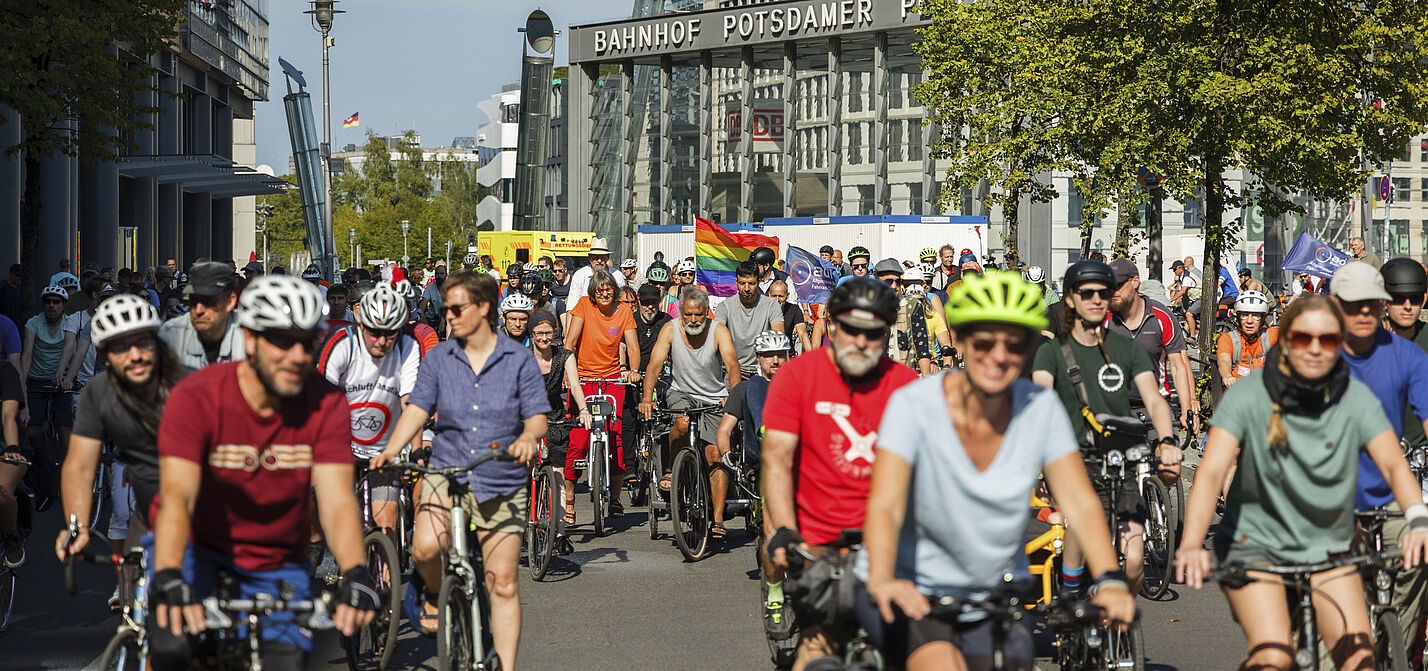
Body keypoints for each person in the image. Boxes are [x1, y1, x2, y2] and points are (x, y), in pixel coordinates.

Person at [857, 271, 1136, 670]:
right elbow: (884, 504)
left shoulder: (1039, 407)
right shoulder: (914, 405)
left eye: (1015, 343)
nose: (999, 355)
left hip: (993, 594)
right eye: (985, 342)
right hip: (914, 587)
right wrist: (884, 576)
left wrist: (1109, 577)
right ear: (963, 342)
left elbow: (1078, 500)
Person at [1177, 293, 1428, 671]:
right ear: (1286, 340)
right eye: (1302, 339)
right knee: (1274, 656)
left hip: (1327, 540)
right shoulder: (1250, 394)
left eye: (1327, 339)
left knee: (1360, 658)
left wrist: (1418, 518)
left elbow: (1394, 465)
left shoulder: (1353, 397)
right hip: (1254, 540)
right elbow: (1212, 472)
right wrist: (1192, 543)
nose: (1314, 349)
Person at [147, 275, 378, 671]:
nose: (297, 356)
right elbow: (177, 497)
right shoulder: (196, 397)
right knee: (173, 650)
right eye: (282, 341)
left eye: (308, 342)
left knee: (287, 661)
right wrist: (170, 575)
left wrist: (355, 572)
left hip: (276, 557)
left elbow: (337, 498)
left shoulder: (326, 401)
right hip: (194, 548)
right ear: (250, 339)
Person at [368, 272, 547, 668]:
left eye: (455, 308)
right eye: (446, 308)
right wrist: (390, 451)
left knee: (501, 582)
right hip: (446, 470)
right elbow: (416, 409)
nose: (446, 315)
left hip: (500, 476)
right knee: (426, 547)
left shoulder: (517, 358)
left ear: (483, 309)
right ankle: (434, 591)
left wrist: (528, 438)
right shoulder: (439, 358)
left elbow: (537, 418)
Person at [762, 276, 919, 669]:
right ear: (832, 323)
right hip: (817, 545)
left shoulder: (905, 384)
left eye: (872, 333)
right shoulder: (796, 376)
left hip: (889, 547)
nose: (860, 342)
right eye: (851, 329)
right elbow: (778, 460)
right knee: (816, 650)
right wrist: (784, 529)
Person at [1030, 260, 1180, 597]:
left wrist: (1167, 440)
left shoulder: (1126, 349)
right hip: (1073, 461)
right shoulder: (1052, 352)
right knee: (1077, 531)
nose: (1097, 299)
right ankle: (1070, 593)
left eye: (1104, 292)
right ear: (1069, 299)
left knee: (1136, 564)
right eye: (1087, 293)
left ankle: (1111, 626)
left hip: (1122, 461)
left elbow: (1154, 399)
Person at [54, 295, 189, 605]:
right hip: (147, 495)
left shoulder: (185, 385)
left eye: (143, 343)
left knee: (186, 623)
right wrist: (78, 525)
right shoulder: (99, 390)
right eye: (120, 347)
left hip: (198, 499)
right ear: (104, 356)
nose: (135, 355)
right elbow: (79, 466)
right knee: (130, 594)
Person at [316, 282, 421, 541]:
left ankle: (386, 579)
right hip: (341, 442)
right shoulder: (342, 343)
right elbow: (319, 400)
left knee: (386, 520)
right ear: (361, 323)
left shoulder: (407, 346)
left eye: (390, 333)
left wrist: (413, 452)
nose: (383, 341)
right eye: (375, 332)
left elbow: (412, 404)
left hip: (386, 447)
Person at [638, 288, 741, 537]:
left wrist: (734, 397)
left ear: (707, 313)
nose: (693, 320)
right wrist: (646, 398)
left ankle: (717, 520)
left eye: (698, 314)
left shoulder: (718, 330)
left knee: (715, 453)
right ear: (681, 313)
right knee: (682, 424)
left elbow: (732, 365)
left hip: (713, 398)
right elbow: (654, 365)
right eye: (688, 315)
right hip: (681, 392)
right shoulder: (670, 329)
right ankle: (673, 466)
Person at [715, 329, 790, 631]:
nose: (776, 360)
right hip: (762, 459)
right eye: (769, 355)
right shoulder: (750, 386)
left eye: (781, 354)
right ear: (759, 358)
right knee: (758, 385)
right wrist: (725, 454)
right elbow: (724, 431)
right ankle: (768, 430)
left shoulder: (800, 385)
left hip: (798, 458)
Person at [565, 270, 641, 518]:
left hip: (612, 380)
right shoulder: (584, 305)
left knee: (616, 437)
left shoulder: (623, 311)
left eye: (609, 289)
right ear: (593, 293)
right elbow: (570, 343)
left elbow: (632, 345)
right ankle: (569, 502)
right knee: (578, 439)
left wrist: (633, 370)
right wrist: (567, 372)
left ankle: (616, 498)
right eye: (600, 290)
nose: (605, 293)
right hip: (584, 378)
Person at [1106, 260, 1199, 433]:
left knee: (1167, 453)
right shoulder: (1104, 318)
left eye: (1117, 285)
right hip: (1115, 406)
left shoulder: (1162, 316)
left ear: (1135, 281)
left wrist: (1187, 408)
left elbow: (1179, 366)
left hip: (1158, 403)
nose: (1112, 292)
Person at [21, 285, 77, 455]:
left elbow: (72, 350)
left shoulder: (70, 323)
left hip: (60, 381)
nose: (51, 306)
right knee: (32, 426)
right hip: (36, 379)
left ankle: (65, 468)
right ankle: (32, 466)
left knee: (64, 426)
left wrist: (69, 378)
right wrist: (22, 381)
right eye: (47, 302)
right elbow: (27, 354)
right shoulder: (33, 323)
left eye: (56, 302)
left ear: (63, 305)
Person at [158, 261, 245, 369]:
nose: (199, 310)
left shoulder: (248, 335)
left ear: (230, 302)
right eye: (193, 301)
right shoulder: (171, 334)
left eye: (208, 301)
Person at [714, 261, 784, 379]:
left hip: (762, 370)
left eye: (751, 283)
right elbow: (717, 337)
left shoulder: (771, 305)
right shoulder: (724, 307)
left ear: (758, 282)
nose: (746, 288)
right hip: (731, 368)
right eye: (742, 283)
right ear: (736, 282)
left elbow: (778, 338)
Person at [1217, 291, 1277, 388]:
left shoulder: (1271, 335)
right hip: (1238, 394)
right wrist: (1227, 376)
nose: (1249, 321)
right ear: (1238, 318)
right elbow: (1224, 360)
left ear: (1262, 318)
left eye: (1255, 316)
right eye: (1244, 315)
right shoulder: (1229, 339)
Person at [1, 355, 27, 568]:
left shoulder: (6, 371)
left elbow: (9, 416)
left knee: (2, 493)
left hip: (5, 447)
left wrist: (12, 447)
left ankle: (11, 536)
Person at [564, 238, 626, 321]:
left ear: (608, 258)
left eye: (602, 257)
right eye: (596, 258)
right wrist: (568, 332)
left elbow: (621, 302)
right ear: (589, 258)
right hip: (585, 319)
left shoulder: (617, 275)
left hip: (611, 320)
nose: (599, 261)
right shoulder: (580, 275)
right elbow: (572, 306)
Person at [767, 280, 810, 354]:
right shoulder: (763, 309)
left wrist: (813, 357)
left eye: (781, 296)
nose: (777, 300)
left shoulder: (794, 309)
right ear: (769, 295)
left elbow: (803, 335)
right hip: (767, 354)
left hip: (788, 355)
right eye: (774, 296)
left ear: (787, 296)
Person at [1169, 260, 1201, 339]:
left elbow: (1182, 292)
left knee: (1189, 314)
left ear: (1180, 268)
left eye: (1174, 269)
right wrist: (1173, 304)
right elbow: (1182, 295)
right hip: (1194, 299)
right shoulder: (1182, 278)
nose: (1174, 272)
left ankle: (1192, 337)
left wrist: (1171, 300)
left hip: (1200, 298)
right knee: (1188, 318)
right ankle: (1205, 330)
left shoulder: (1187, 277)